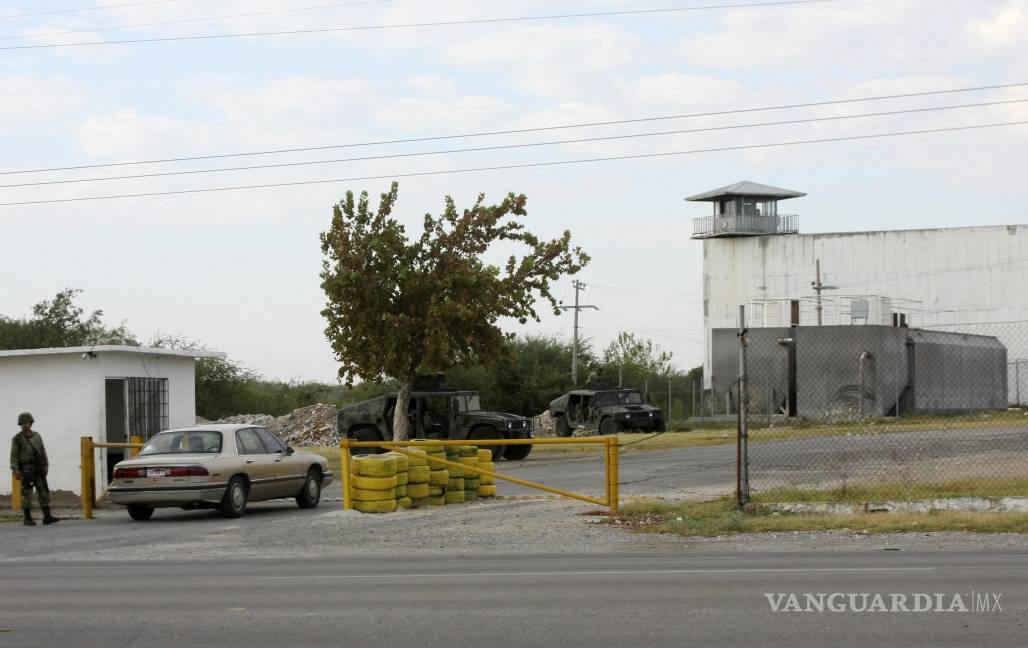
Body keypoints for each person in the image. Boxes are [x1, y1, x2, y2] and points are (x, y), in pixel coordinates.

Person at [10, 413, 58, 526]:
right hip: (26, 469)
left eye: (27, 422)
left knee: (43, 491)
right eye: (23, 423)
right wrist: (15, 469)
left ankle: (47, 516)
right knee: (26, 493)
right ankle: (27, 518)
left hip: (38, 468)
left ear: (31, 423)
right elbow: (14, 456)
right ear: (20, 424)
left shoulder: (37, 436)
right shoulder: (17, 438)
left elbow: (43, 450)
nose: (25, 425)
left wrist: (46, 465)